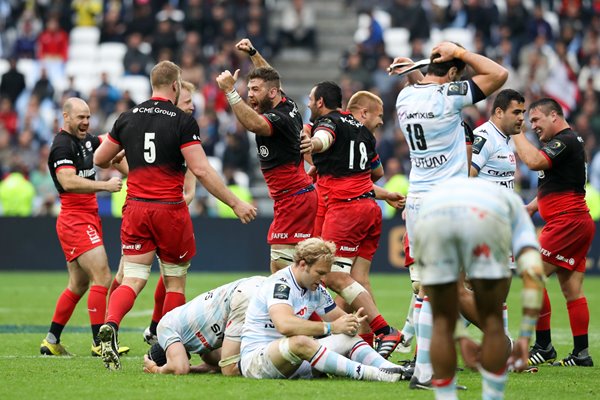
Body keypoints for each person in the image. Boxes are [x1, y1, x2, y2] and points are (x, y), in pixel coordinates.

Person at [93, 61, 257, 370]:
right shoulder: (182, 122)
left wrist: (124, 153)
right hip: (169, 210)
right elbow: (201, 169)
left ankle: (111, 325)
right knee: (175, 285)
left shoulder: (127, 118)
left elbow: (101, 157)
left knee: (133, 279)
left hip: (136, 208)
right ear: (175, 85)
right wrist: (234, 203)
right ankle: (164, 348)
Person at [391, 42, 508, 388]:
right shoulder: (450, 97)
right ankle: (430, 372)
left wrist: (418, 66)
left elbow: (426, 83)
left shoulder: (404, 97)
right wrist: (460, 51)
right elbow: (499, 74)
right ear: (454, 73)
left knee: (431, 286)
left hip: (417, 201)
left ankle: (425, 367)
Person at [412, 176, 545, 398]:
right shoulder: (514, 209)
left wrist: (461, 336)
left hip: (431, 211)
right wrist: (524, 337)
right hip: (484, 217)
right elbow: (534, 273)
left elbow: (448, 291)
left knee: (442, 321)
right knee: (492, 321)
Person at [304, 81, 403, 358]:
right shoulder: (365, 134)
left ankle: (384, 330)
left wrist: (314, 143)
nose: (309, 104)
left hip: (346, 210)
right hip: (369, 208)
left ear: (322, 102)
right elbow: (376, 172)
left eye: (311, 99)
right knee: (358, 279)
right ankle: (371, 342)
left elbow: (325, 137)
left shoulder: (328, 123)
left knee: (334, 276)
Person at [107, 80, 200, 346]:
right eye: (187, 101)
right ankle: (158, 335)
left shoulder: (179, 132)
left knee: (143, 276)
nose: (191, 107)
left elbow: (189, 189)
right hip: (164, 211)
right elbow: (186, 183)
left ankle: (150, 327)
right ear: (175, 95)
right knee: (166, 278)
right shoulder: (178, 126)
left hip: (143, 209)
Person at [240, 237, 410, 381]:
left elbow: (338, 319)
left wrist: (350, 323)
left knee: (346, 337)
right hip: (258, 362)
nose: (323, 279)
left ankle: (396, 370)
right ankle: (376, 375)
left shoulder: (316, 289)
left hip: (294, 363)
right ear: (302, 264)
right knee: (300, 341)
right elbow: (284, 325)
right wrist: (331, 327)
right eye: (320, 272)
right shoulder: (281, 284)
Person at [215, 38, 317, 274]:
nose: (250, 95)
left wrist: (231, 92)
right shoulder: (285, 102)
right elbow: (271, 77)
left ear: (272, 93)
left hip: (294, 200)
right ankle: (323, 311)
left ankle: (324, 311)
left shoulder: (278, 118)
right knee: (295, 273)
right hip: (294, 197)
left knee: (283, 273)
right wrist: (253, 52)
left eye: (255, 90)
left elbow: (254, 124)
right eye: (248, 89)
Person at [511, 98, 594, 367]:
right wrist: (534, 206)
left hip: (566, 222)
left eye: (536, 120)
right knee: (572, 291)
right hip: (576, 221)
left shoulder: (565, 141)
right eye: (530, 121)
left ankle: (544, 345)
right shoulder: (569, 143)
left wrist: (516, 132)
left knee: (530, 274)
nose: (532, 125)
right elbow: (562, 182)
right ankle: (581, 353)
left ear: (554, 116)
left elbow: (534, 162)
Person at [41, 97, 124, 357]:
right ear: (66, 117)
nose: (85, 122)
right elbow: (67, 181)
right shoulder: (61, 146)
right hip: (74, 219)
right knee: (102, 276)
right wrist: (105, 185)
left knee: (78, 284)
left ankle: (51, 341)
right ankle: (100, 343)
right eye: (80, 117)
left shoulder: (87, 140)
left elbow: (109, 150)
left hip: (88, 217)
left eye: (88, 117)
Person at [467, 88, 526, 339]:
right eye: (517, 112)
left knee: (500, 285)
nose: (521, 117)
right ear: (499, 112)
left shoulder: (504, 139)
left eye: (523, 112)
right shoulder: (484, 136)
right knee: (474, 286)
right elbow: (468, 175)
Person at [143, 275, 266, 375]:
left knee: (230, 369)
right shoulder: (201, 348)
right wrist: (199, 368)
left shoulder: (164, 327)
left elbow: (180, 368)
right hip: (255, 284)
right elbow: (218, 362)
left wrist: (155, 369)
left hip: (242, 297)